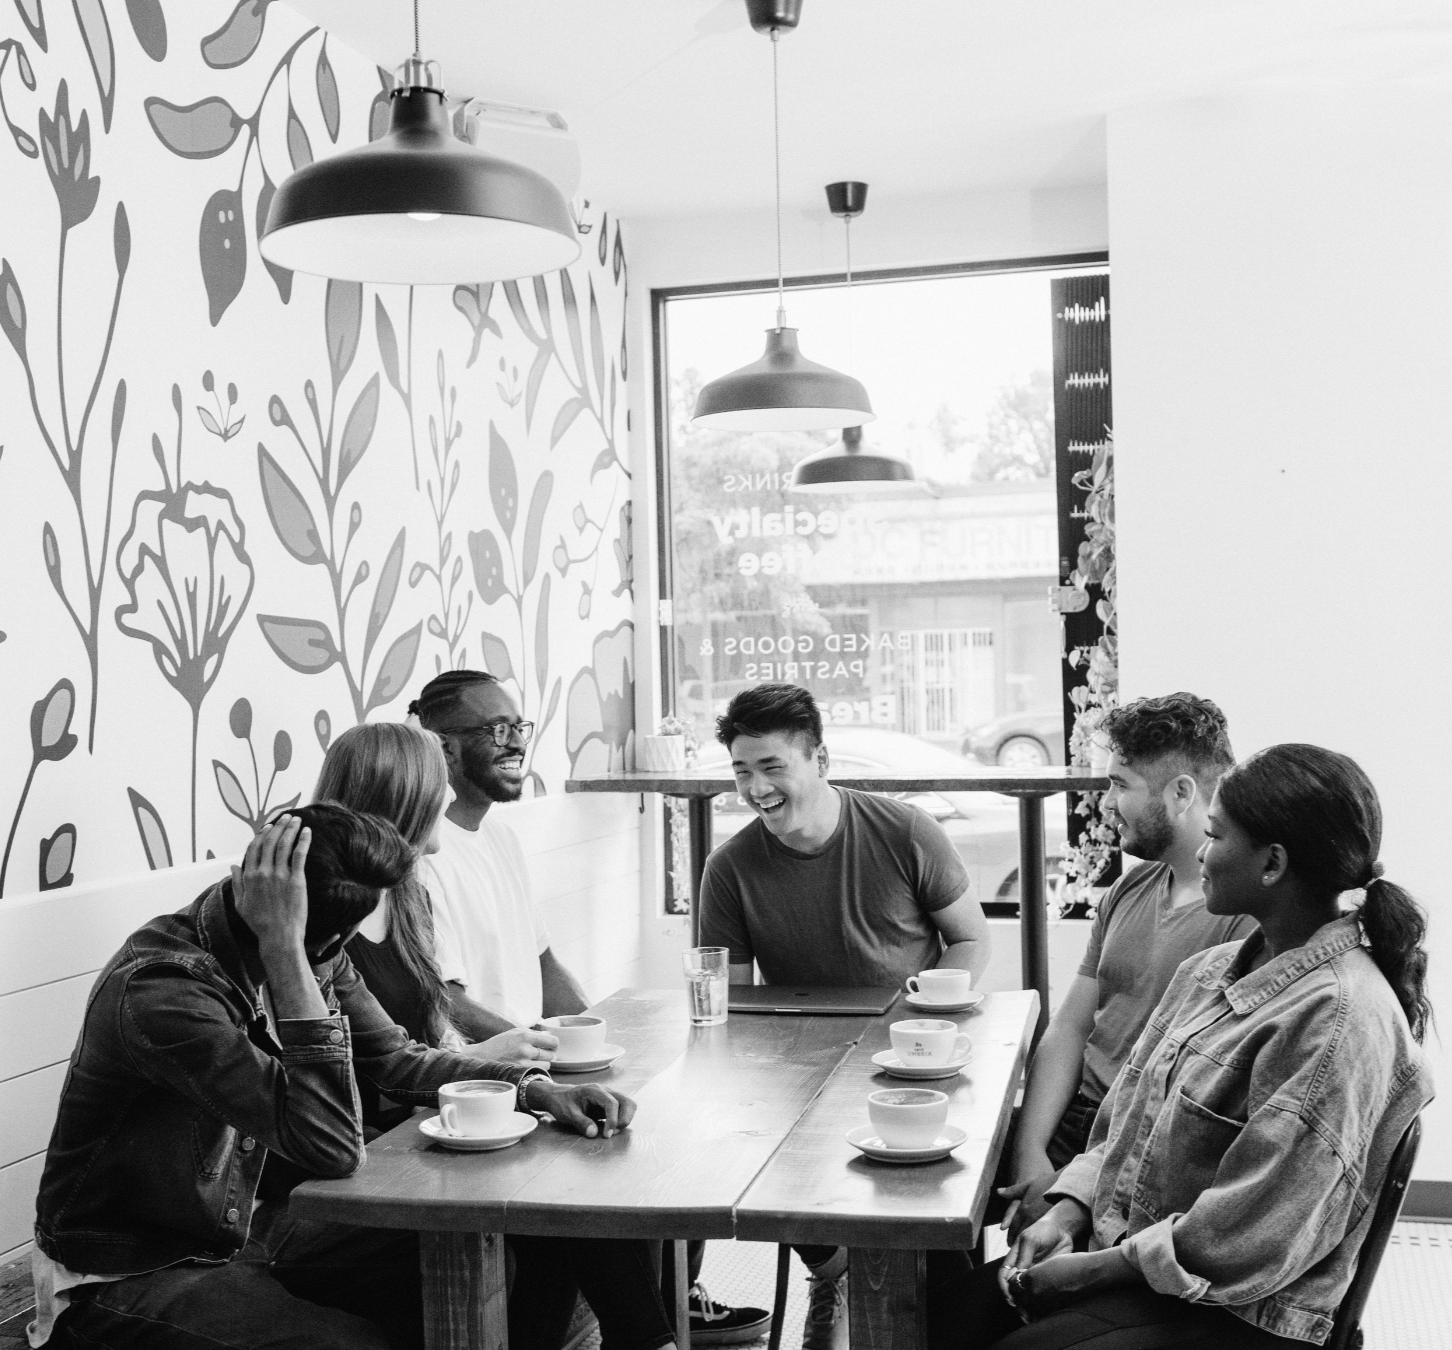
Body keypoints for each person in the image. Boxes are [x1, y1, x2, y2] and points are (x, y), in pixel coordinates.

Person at [30, 805, 638, 1350]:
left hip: (256, 1228)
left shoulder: (316, 952)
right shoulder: (165, 993)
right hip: (129, 1272)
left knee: (518, 1231)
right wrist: (287, 955)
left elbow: (398, 1058)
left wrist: (535, 1087)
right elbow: (333, 1146)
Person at [928, 743, 1434, 1349]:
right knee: (947, 1311)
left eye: (1216, 836)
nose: (1200, 850)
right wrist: (1071, 1206)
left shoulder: (1337, 1021)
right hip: (1153, 1260)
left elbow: (1248, 1239)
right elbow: (1125, 1120)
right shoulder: (1209, 970)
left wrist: (1091, 1269)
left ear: (1272, 864)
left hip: (1246, 1308)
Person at [412, 671, 767, 1345]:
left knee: (670, 1122)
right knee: (582, 1192)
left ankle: (668, 1311)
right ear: (442, 748)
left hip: (532, 1072)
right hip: (481, 1087)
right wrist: (543, 1066)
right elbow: (445, 1002)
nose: (516, 742)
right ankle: (654, 1333)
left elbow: (543, 962)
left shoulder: (500, 837)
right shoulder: (426, 856)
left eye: (519, 727)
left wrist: (596, 1038)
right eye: (495, 730)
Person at [313, 721, 685, 1350]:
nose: (449, 811)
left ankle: (646, 1339)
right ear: (403, 802)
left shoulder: (403, 898)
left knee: (574, 1185)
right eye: (439, 793)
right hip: (366, 1143)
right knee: (558, 1202)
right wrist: (492, 1068)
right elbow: (356, 1067)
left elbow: (409, 1043)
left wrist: (528, 1083)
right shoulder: (327, 916)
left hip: (419, 1120)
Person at [699, 683, 992, 1350]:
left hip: (913, 1062)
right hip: (802, 1072)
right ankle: (834, 1275)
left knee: (931, 1222)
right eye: (741, 770)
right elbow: (731, 1000)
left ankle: (930, 1311)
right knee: (747, 1153)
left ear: (820, 759)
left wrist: (929, 1010)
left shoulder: (906, 831)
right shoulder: (731, 866)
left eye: (773, 766)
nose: (755, 787)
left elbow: (971, 938)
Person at [998, 693, 1257, 1237]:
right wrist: (1031, 1153)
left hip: (1145, 1139)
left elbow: (1197, 1102)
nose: (1106, 802)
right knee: (929, 1177)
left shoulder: (1245, 919)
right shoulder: (1130, 887)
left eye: (1120, 785)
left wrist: (1073, 1185)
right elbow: (1070, 1028)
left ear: (1181, 793)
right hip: (1074, 1117)